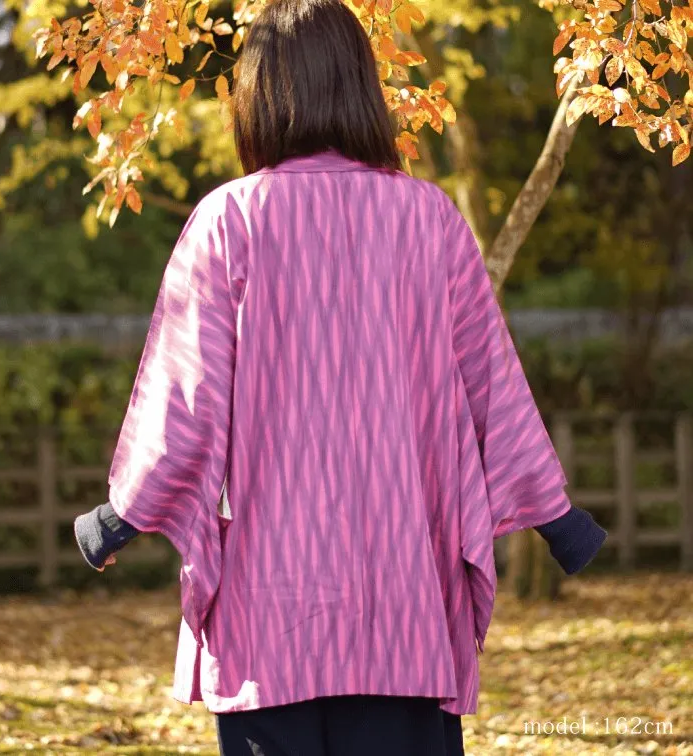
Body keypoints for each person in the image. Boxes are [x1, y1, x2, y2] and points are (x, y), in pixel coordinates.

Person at [74, 0, 608, 753]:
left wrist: (121, 516)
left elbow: (185, 406)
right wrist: (557, 519)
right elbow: (493, 387)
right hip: (406, 615)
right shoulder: (431, 221)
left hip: (271, 624)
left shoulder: (229, 222)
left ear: (257, 95)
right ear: (363, 86)